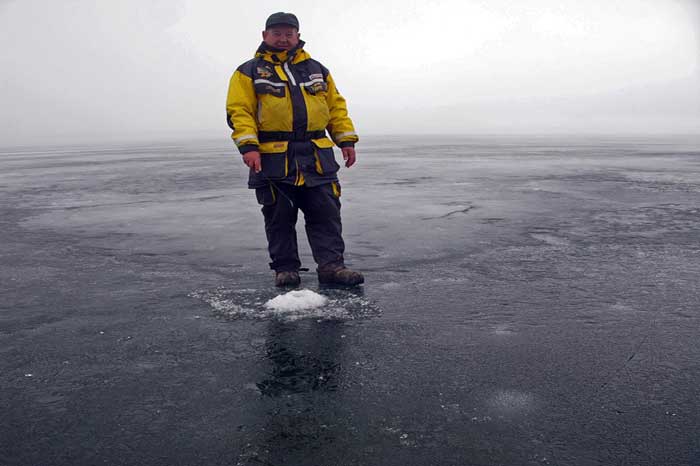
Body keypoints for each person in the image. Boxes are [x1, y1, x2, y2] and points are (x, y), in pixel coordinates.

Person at [226, 12, 364, 288]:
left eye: (289, 33)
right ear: (265, 36)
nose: (283, 38)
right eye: (277, 33)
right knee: (279, 217)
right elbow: (239, 111)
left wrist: (345, 141)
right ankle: (285, 269)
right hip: (273, 159)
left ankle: (332, 266)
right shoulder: (248, 71)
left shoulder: (317, 69)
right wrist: (248, 146)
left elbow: (336, 107)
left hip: (316, 156)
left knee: (326, 215)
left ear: (298, 36)